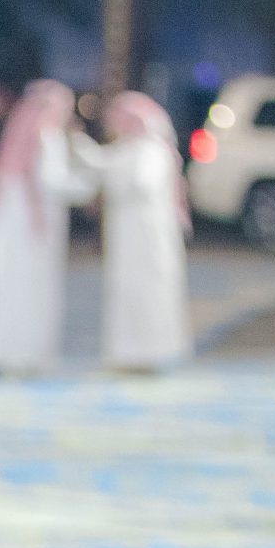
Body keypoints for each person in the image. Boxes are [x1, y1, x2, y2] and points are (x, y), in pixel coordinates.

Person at [0, 77, 95, 373]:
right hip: (30, 231)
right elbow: (53, 182)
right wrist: (89, 186)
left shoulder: (12, 161)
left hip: (10, 228)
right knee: (30, 288)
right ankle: (25, 355)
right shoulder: (47, 136)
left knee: (10, 288)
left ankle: (6, 353)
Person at [98, 91, 191, 370]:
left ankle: (150, 353)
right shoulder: (128, 149)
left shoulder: (151, 150)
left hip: (147, 233)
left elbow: (141, 184)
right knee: (127, 289)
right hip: (128, 231)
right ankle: (128, 353)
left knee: (148, 289)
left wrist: (112, 178)